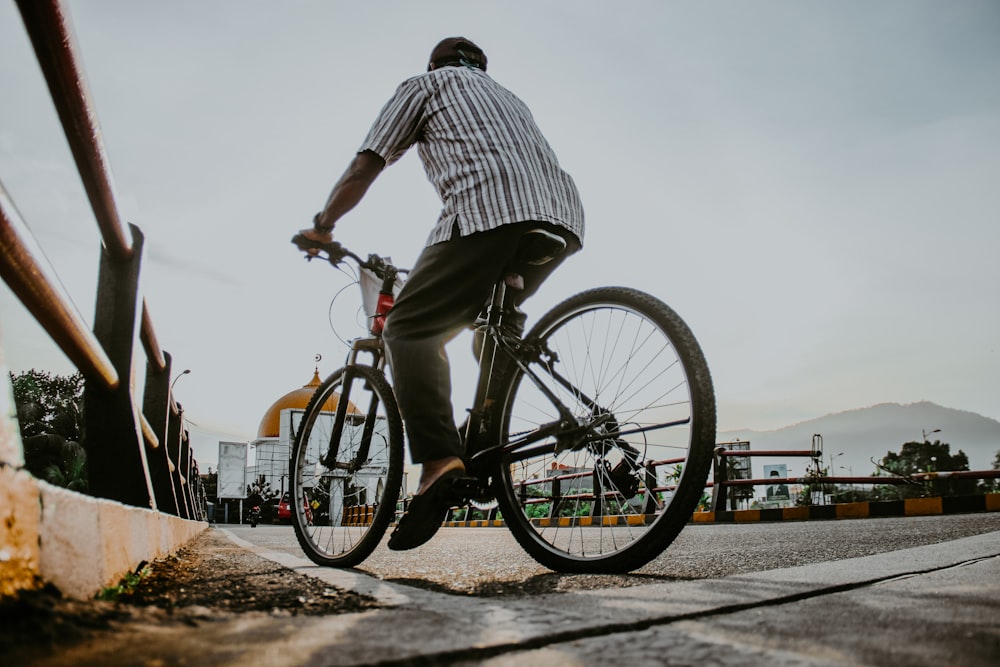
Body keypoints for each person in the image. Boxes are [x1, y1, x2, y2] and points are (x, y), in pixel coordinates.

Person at [296, 37, 584, 550]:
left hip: (488, 209)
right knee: (492, 332)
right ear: (482, 66)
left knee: (408, 328)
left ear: (435, 64)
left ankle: (439, 461)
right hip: (563, 215)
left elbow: (366, 165)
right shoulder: (509, 97)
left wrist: (324, 225)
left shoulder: (425, 86)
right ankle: (488, 443)